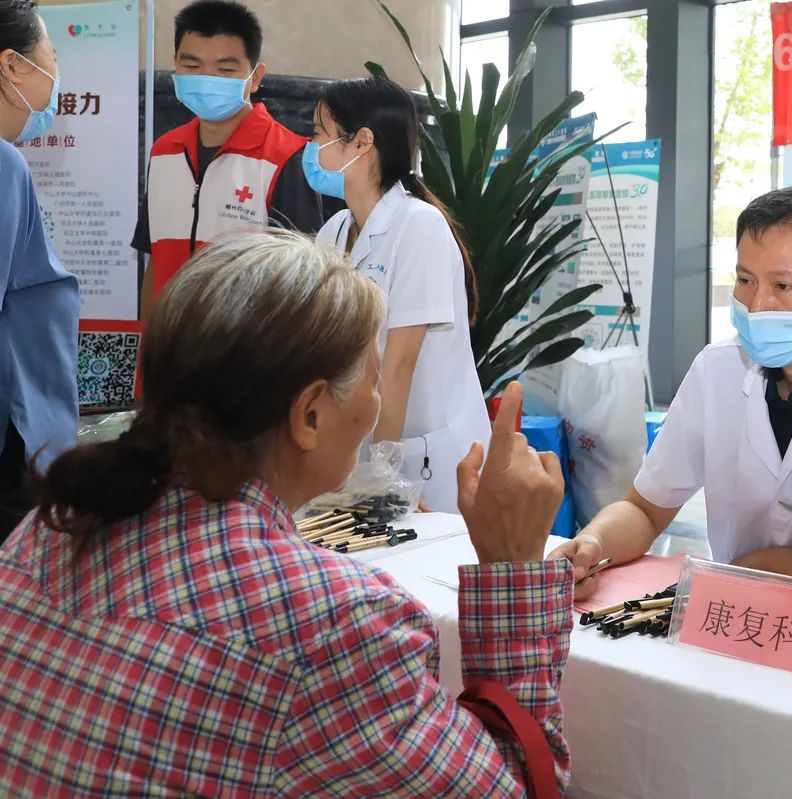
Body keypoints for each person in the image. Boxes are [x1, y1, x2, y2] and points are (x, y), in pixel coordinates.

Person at [0, 231, 573, 796]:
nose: (375, 405)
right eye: (372, 381)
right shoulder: (338, 626)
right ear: (311, 415)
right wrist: (512, 568)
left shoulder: (47, 532)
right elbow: (516, 789)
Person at [552, 187, 792, 611]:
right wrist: (593, 544)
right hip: (746, 617)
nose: (757, 305)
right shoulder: (717, 368)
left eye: (783, 285)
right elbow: (646, 509)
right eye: (744, 280)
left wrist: (745, 570)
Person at [310, 76, 490, 513]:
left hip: (425, 459)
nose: (310, 148)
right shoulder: (334, 230)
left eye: (318, 134)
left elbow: (399, 365)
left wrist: (380, 475)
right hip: (364, 447)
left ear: (361, 142)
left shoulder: (420, 225)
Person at [132, 0, 329, 319]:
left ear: (255, 76)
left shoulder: (286, 156)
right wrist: (149, 342)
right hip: (170, 344)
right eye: (192, 66)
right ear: (175, 66)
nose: (207, 79)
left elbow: (302, 279)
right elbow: (156, 260)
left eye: (225, 70)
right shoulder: (164, 151)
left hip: (244, 346)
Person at [0, 0, 78, 543]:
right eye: (51, 53)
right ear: (11, 65)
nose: (56, 68)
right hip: (15, 438)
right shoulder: (4, 165)